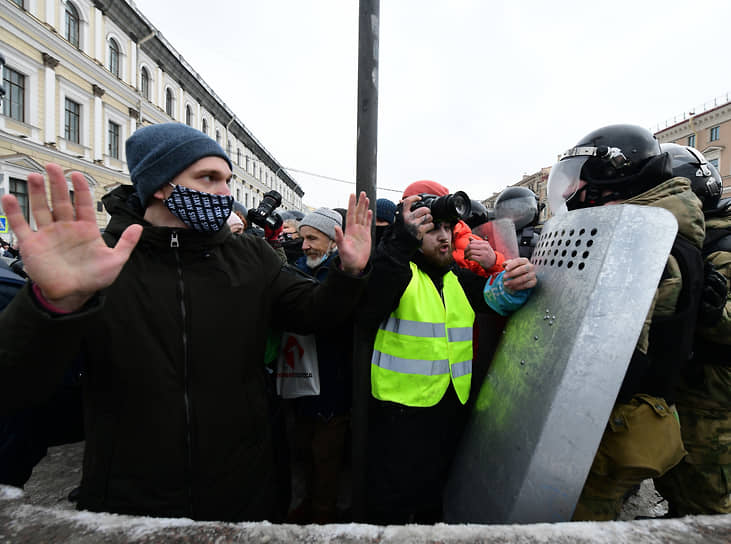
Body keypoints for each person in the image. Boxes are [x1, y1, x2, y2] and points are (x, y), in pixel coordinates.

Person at [0, 122, 372, 522]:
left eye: (227, 179)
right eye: (208, 178)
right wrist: (54, 303)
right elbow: (17, 382)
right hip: (130, 499)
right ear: (160, 185)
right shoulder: (101, 261)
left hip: (244, 490)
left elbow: (315, 311)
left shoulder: (251, 256)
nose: (226, 192)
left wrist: (348, 274)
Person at [546, 124, 706, 521]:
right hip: (623, 417)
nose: (570, 192)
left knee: (579, 521)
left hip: (616, 422)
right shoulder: (652, 235)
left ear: (614, 176)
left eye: (579, 178)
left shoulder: (649, 248)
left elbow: (618, 363)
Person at [357, 193, 537, 524]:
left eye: (447, 228)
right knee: (390, 507)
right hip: (400, 414)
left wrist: (516, 283)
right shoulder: (399, 272)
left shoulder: (456, 278)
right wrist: (400, 240)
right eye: (431, 229)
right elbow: (375, 297)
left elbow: (495, 299)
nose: (443, 236)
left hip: (450, 407)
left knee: (434, 500)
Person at [653, 143, 731, 516]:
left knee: (707, 482)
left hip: (713, 393)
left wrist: (716, 313)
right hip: (685, 381)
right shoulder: (684, 242)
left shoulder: (723, 246)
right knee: (675, 469)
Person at [286, 207, 353, 523]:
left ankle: (322, 521)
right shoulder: (297, 270)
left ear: (333, 241)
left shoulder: (343, 276)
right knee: (301, 459)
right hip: (297, 390)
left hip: (331, 391)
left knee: (326, 463)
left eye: (312, 238)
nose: (305, 246)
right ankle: (301, 510)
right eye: (302, 239)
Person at [494, 186, 543, 259]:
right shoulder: (500, 239)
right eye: (504, 212)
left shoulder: (534, 240)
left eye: (516, 212)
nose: (507, 217)